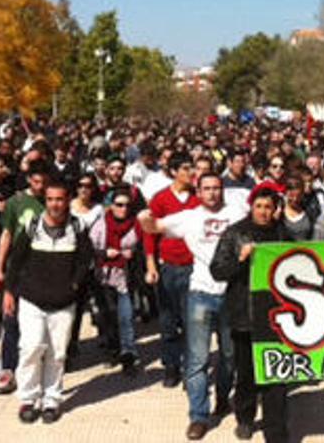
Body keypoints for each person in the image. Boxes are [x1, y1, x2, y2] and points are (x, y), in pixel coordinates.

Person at [139, 173, 247, 440]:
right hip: (200, 292)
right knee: (197, 359)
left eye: (216, 188)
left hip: (231, 294)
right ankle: (198, 416)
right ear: (198, 191)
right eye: (206, 188)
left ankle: (223, 398)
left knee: (229, 355)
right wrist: (143, 217)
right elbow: (155, 227)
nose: (212, 193)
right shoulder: (188, 216)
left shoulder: (238, 213)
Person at [4, 180, 93, 424]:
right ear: (45, 200)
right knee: (31, 348)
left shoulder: (78, 226)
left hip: (63, 303)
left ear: (67, 200)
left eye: (60, 199)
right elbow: (16, 260)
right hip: (32, 300)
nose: (55, 204)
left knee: (58, 353)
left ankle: (52, 399)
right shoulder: (32, 226)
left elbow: (86, 260)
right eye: (51, 199)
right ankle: (28, 399)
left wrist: (74, 285)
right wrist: (9, 292)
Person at [210, 187, 290, 442]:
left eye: (269, 207)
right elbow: (218, 270)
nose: (264, 212)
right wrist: (241, 260)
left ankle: (275, 429)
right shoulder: (235, 233)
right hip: (245, 315)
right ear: (251, 207)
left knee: (276, 375)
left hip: (276, 317)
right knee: (246, 373)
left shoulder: (281, 233)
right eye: (259, 207)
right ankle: (245, 418)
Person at [143, 154, 199, 388]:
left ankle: (190, 368)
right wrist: (151, 264)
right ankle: (171, 365)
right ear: (174, 171)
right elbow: (149, 232)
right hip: (167, 266)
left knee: (191, 321)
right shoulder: (161, 199)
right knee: (167, 320)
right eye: (186, 168)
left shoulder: (197, 200)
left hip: (193, 268)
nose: (191, 172)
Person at [0, 161, 50, 394]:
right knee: (10, 320)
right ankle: (7, 368)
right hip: (17, 268)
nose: (40, 186)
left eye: (44, 182)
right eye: (36, 181)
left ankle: (37, 369)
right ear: (29, 180)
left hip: (44, 269)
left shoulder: (53, 201)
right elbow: (6, 234)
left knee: (41, 322)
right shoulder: (16, 203)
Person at [89, 187, 143, 374]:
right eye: (119, 205)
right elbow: (89, 248)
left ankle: (128, 354)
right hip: (103, 278)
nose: (123, 209)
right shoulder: (101, 225)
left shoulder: (136, 225)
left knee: (126, 317)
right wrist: (104, 253)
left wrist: (133, 254)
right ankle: (113, 350)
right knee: (107, 317)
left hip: (125, 277)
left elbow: (143, 248)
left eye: (127, 205)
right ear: (111, 206)